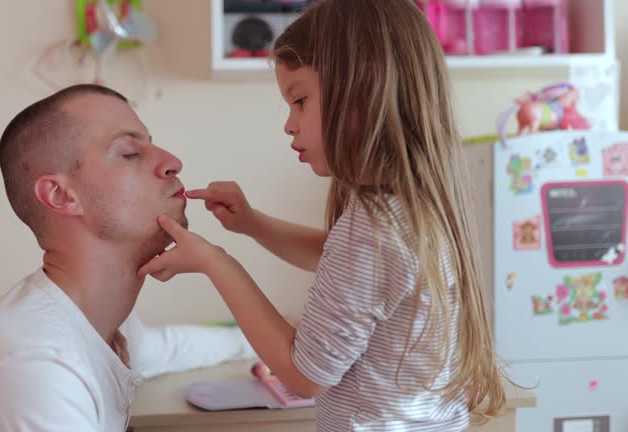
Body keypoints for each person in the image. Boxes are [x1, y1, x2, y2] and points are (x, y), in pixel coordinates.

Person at [137, 0, 507, 430]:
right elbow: (340, 261)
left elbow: (303, 375)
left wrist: (214, 262)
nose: (289, 125)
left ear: (362, 90)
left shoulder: (373, 227)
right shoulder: (409, 208)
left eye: (299, 101)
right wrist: (253, 223)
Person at [0, 84, 254, 432]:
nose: (173, 162)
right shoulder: (36, 368)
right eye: (129, 153)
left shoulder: (107, 326)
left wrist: (281, 340)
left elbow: (168, 348)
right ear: (61, 196)